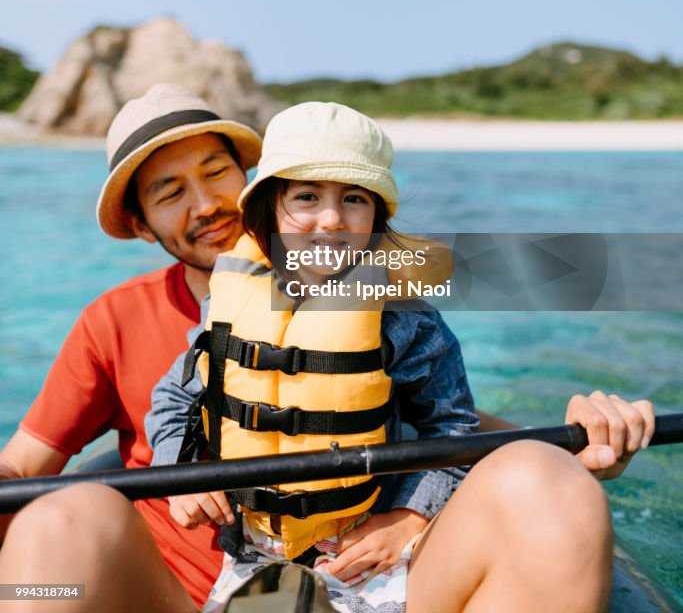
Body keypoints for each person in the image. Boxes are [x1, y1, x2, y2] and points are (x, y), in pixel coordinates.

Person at [147, 101, 655, 613]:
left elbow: (451, 431)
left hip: (371, 555)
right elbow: (172, 397)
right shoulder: (231, 302)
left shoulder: (406, 318)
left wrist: (410, 519)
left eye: (353, 199)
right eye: (306, 197)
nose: (331, 219)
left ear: (376, 217)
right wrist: (180, 469)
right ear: (268, 212)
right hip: (252, 556)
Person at [0, 83, 263, 609]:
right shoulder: (113, 320)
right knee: (55, 527)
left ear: (249, 178)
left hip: (358, 580)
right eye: (171, 194)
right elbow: (23, 469)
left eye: (216, 173)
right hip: (176, 594)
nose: (208, 205)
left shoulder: (354, 286)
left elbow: (458, 418)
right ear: (142, 225)